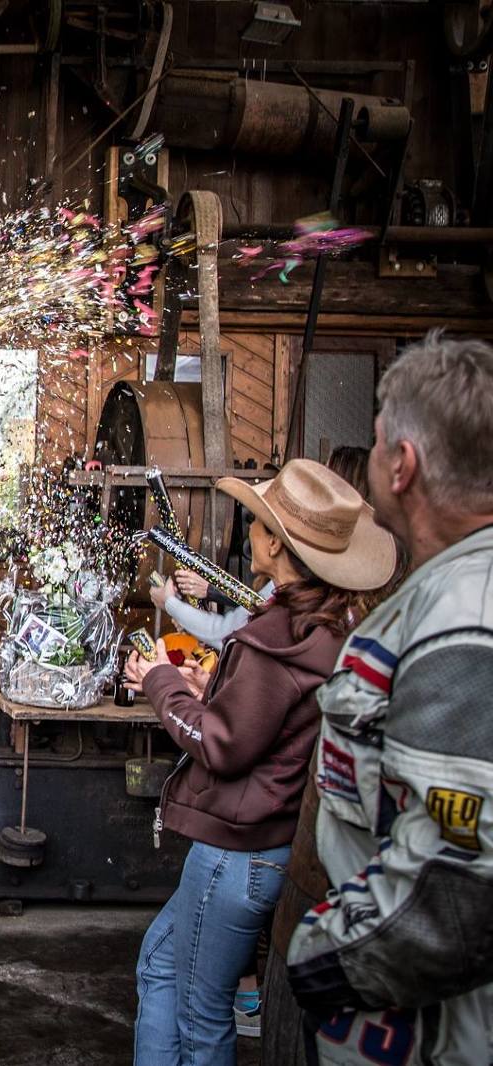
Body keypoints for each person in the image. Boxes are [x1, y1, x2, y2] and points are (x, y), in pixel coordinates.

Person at [123, 458, 396, 1066]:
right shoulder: (323, 626)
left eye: (259, 521)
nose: (251, 528)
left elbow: (222, 746)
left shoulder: (278, 640)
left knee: (200, 1010)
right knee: (161, 964)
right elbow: (263, 725)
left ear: (275, 542)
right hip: (262, 846)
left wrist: (164, 682)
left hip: (234, 857)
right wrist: (209, 693)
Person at [287, 332, 493, 1066]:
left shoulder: (469, 610)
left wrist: (322, 963)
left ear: (401, 465)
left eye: (374, 444)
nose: (370, 460)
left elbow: (460, 884)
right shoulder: (447, 592)